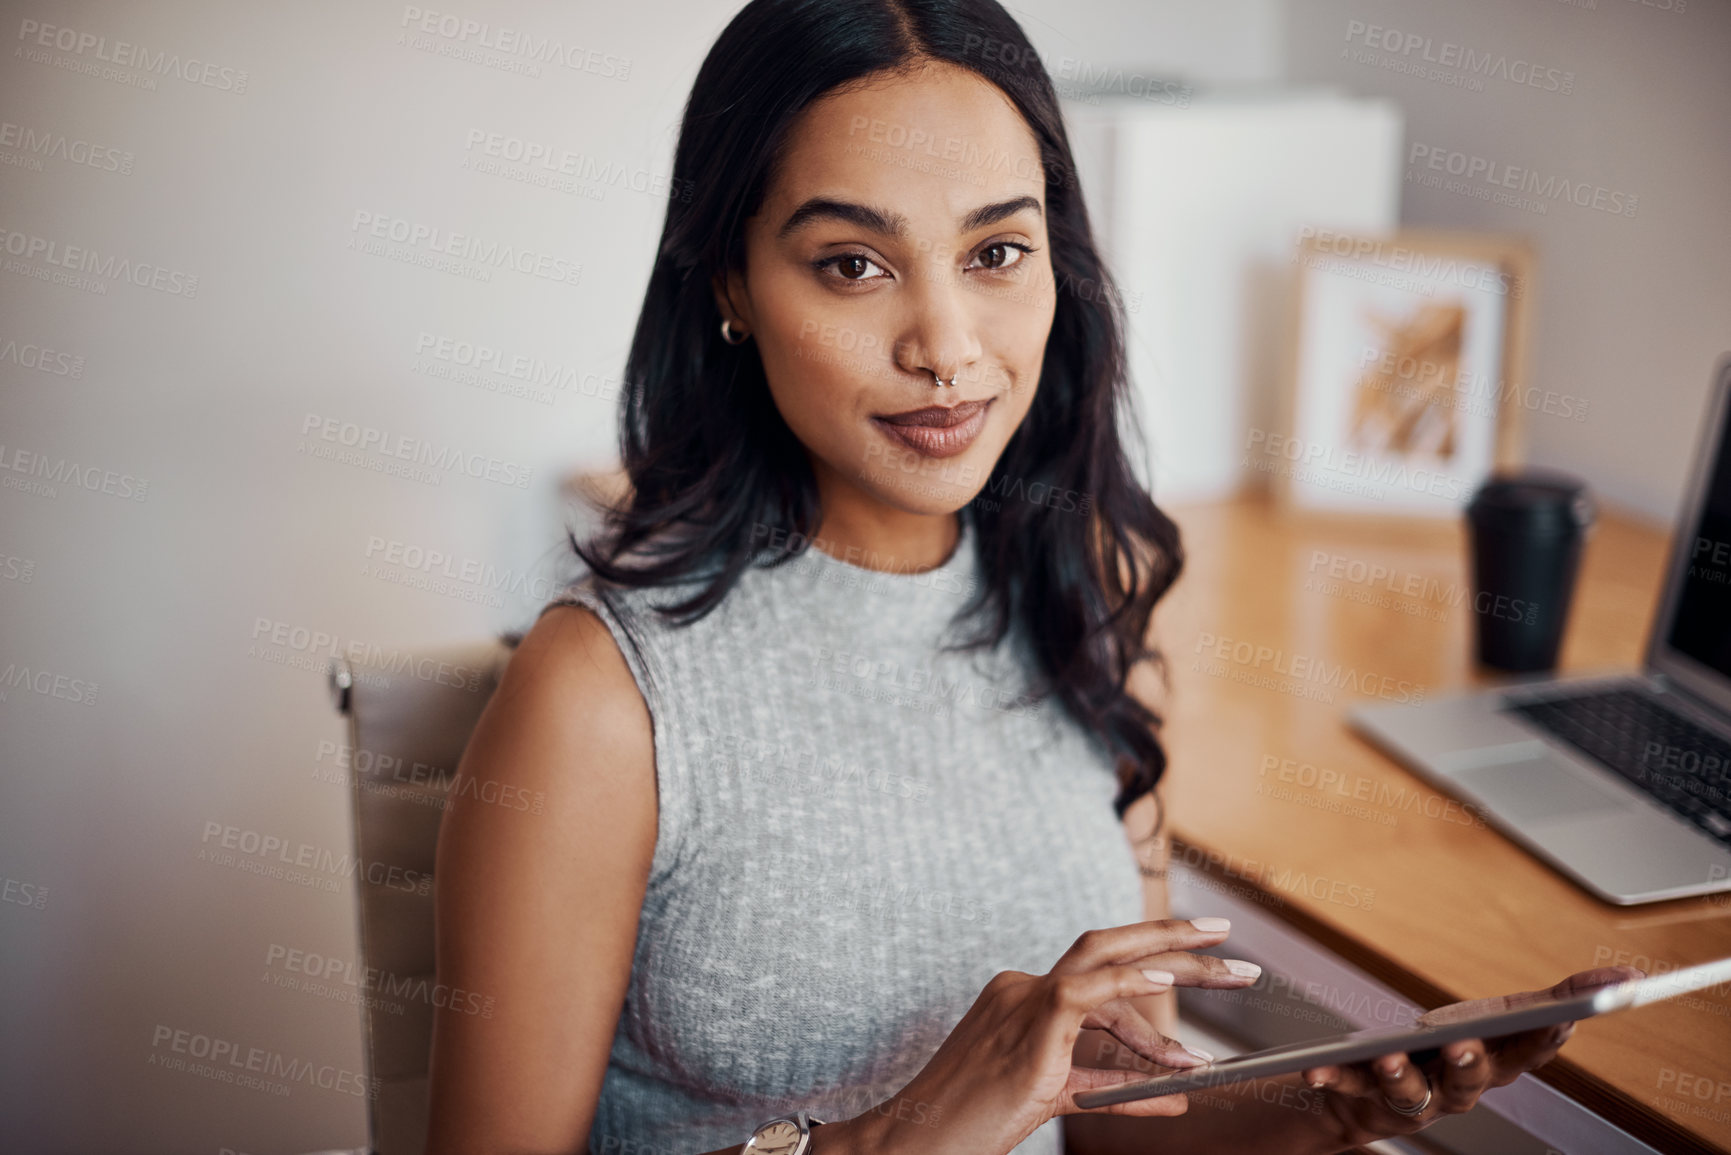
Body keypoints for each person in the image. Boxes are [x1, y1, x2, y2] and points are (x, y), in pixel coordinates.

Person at [424, 1, 1633, 1152]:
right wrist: (896, 1135)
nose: (947, 349)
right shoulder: (600, 699)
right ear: (733, 283)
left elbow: (1116, 1120)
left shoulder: (1081, 608)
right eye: (853, 265)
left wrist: (1329, 1110)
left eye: (998, 250)